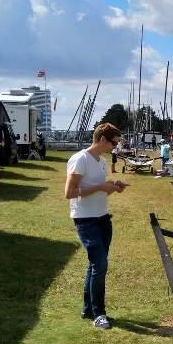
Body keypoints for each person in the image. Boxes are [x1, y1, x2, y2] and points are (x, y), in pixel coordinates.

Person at [64, 123, 129, 329]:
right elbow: (69, 193)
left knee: (95, 265)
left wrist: (111, 187)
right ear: (102, 139)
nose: (115, 147)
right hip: (85, 220)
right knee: (100, 265)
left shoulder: (101, 162)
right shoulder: (80, 159)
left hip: (102, 219)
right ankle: (99, 314)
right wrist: (101, 186)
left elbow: (99, 191)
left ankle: (88, 309)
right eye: (114, 143)